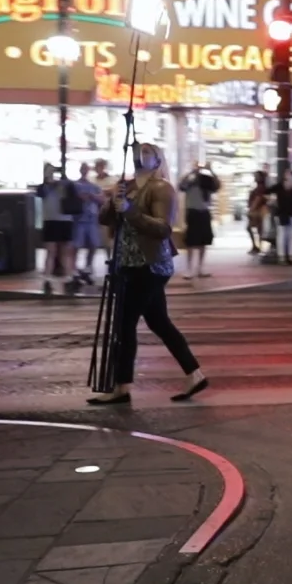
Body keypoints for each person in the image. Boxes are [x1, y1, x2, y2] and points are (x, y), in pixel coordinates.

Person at [91, 144, 209, 405]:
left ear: (157, 160)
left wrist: (129, 210)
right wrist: (114, 200)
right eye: (138, 151)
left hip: (149, 265)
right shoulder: (127, 186)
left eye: (147, 152)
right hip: (127, 263)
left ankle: (121, 386)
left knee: (124, 325)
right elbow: (104, 219)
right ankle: (194, 374)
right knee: (159, 322)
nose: (140, 155)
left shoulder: (161, 188)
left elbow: (162, 229)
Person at [35, 164, 76, 295]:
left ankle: (68, 279)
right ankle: (47, 279)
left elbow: (73, 194)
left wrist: (61, 181)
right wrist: (49, 181)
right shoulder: (44, 187)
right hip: (50, 220)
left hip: (64, 220)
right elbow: (40, 194)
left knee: (64, 252)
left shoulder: (67, 184)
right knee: (50, 251)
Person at [178, 164, 220, 279]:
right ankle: (189, 268)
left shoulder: (207, 183)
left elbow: (217, 185)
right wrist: (192, 172)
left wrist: (211, 171)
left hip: (204, 213)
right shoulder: (190, 183)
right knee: (191, 241)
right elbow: (181, 185)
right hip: (192, 213)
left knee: (203, 241)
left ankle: (200, 267)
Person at [70, 162, 106, 290]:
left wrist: (92, 197)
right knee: (76, 246)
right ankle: (74, 270)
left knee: (94, 245)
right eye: (83, 169)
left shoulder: (93, 186)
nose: (84, 171)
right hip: (79, 219)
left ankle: (88, 267)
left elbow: (102, 199)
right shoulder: (75, 186)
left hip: (92, 220)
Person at [273, 169, 292, 264]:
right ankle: (282, 255)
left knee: (291, 235)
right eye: (287, 175)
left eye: (291, 176)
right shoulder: (281, 187)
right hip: (283, 214)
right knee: (283, 234)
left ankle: (290, 255)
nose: (289, 177)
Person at [247, 170, 271, 255]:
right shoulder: (260, 187)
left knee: (253, 228)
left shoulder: (260, 188)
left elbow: (258, 199)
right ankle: (258, 246)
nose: (254, 177)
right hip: (258, 210)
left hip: (257, 211)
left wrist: (251, 209)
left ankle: (257, 247)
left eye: (256, 176)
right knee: (258, 229)